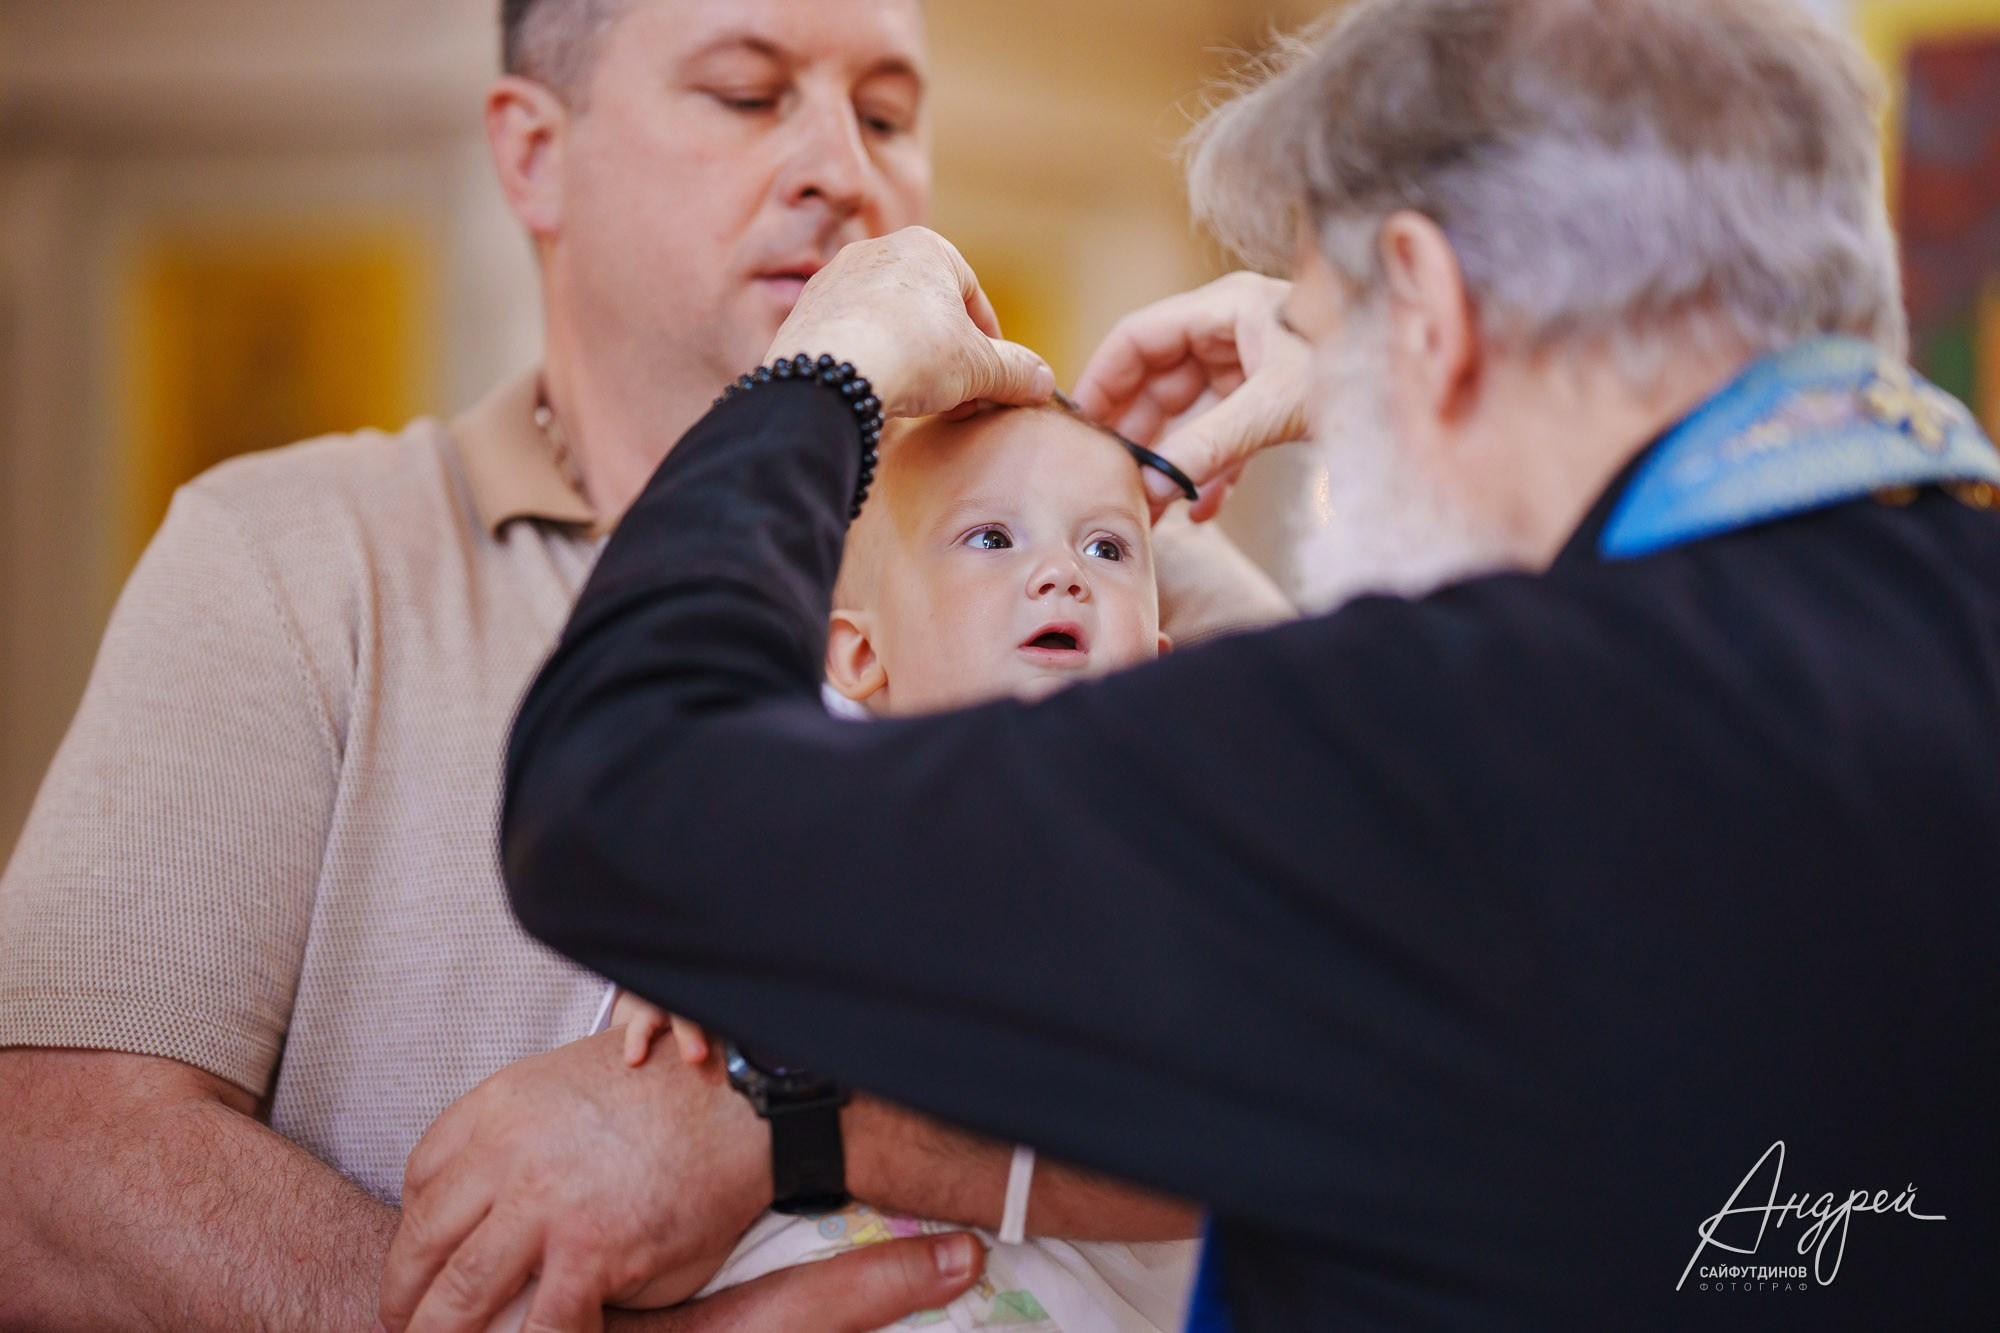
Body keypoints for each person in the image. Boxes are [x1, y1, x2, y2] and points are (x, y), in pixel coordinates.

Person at [385, 0, 1996, 1328]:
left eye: (1353, 330)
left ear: (1433, 308)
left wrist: (830, 368)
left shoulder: (1433, 742)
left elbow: (626, 790)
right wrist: (1382, 350)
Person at [0, 1, 1285, 1328]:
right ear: (533, 155)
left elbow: (1400, 1060)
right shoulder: (294, 553)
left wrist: (796, 1132)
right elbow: (42, 1174)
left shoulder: (1111, 592)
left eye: (889, 114)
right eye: (746, 93)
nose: (844, 168)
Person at [587, 402, 1199, 1333]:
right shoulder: (795, 848)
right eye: (991, 536)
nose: (1061, 575)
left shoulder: (1181, 866)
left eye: (1109, 550)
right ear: (863, 652)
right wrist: (683, 992)